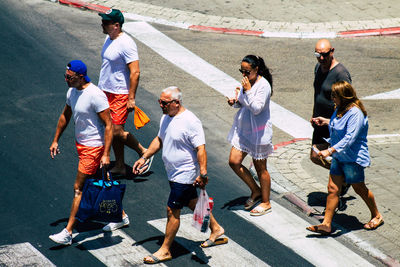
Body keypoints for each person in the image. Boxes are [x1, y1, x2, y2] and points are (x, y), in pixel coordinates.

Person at [133, 86, 227, 264]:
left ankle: (165, 250)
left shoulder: (191, 121)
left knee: (172, 210)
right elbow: (159, 139)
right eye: (160, 101)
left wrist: (203, 172)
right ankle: (216, 229)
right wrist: (144, 156)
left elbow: (201, 148)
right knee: (192, 202)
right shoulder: (166, 117)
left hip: (185, 174)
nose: (160, 105)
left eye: (164, 102)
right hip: (172, 172)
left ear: (176, 103)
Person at [49, 60, 114, 245]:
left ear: (80, 76)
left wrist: (106, 153)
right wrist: (55, 140)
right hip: (81, 145)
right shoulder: (72, 92)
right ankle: (121, 216)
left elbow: (109, 125)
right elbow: (65, 116)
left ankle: (68, 232)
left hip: (94, 147)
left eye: (69, 77)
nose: (66, 80)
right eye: (65, 76)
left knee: (79, 188)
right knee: (104, 181)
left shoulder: (96, 95)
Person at [306, 81, 383, 235]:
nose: (332, 98)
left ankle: (377, 215)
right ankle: (326, 224)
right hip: (339, 157)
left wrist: (329, 150)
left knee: (359, 188)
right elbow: (339, 125)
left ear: (344, 96)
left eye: (334, 95)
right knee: (333, 189)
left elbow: (350, 138)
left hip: (352, 159)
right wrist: (326, 121)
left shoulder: (355, 113)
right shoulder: (339, 109)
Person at [98, 9, 153, 177]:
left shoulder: (127, 43)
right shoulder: (108, 38)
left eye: (106, 23)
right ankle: (120, 165)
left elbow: (135, 72)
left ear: (116, 25)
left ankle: (143, 151)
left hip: (120, 94)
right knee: (111, 129)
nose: (102, 24)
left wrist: (131, 98)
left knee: (115, 131)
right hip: (105, 91)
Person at [227, 55, 273, 216]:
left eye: (247, 72)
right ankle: (255, 190)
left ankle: (266, 201)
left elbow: (257, 108)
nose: (244, 75)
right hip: (244, 130)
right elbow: (244, 103)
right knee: (234, 161)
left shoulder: (263, 86)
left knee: (261, 168)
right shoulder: (247, 83)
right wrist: (235, 101)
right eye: (242, 71)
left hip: (259, 132)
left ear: (256, 70)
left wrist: (247, 91)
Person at [311, 39, 352, 201]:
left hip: (335, 123)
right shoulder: (318, 68)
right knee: (315, 156)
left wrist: (334, 121)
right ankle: (344, 177)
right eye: (318, 55)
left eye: (325, 55)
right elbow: (318, 94)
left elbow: (348, 101)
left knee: (333, 156)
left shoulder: (341, 73)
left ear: (332, 51)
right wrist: (314, 114)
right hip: (319, 121)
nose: (321, 58)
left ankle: (340, 182)